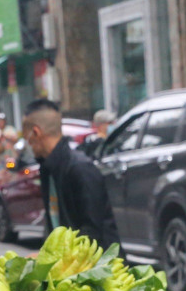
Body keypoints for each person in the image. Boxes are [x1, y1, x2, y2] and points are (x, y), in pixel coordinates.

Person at [22, 98, 122, 251]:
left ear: (36, 132)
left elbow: (93, 232)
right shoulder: (48, 169)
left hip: (97, 263)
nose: (27, 144)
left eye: (26, 138)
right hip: (69, 262)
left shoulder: (81, 169)